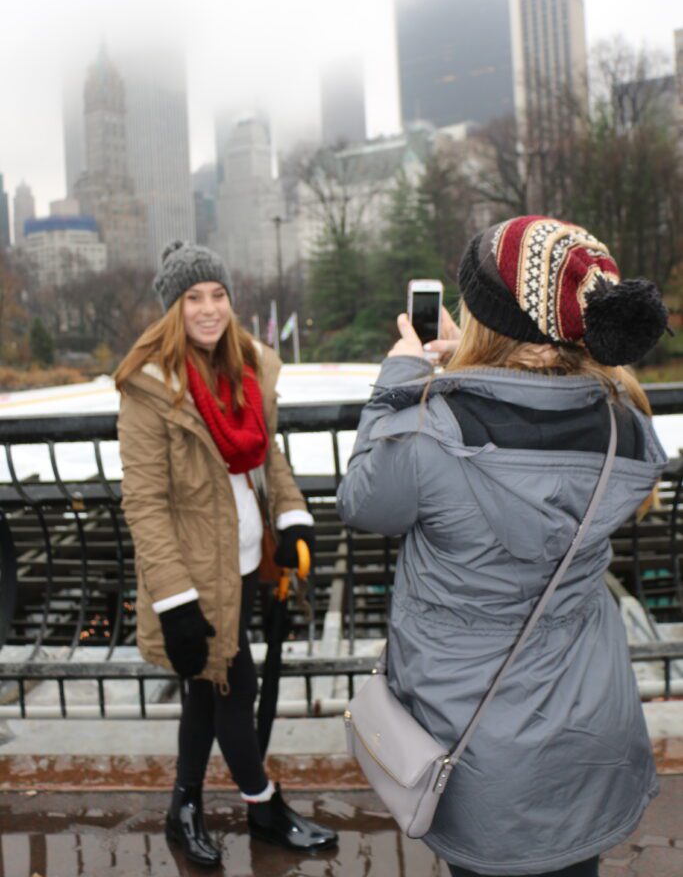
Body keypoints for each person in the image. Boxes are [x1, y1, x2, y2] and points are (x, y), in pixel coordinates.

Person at [337, 216, 669, 877]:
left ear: (484, 318)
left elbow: (362, 500)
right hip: (589, 730)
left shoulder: (428, 429)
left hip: (476, 742)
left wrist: (401, 373)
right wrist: (488, 360)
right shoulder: (624, 429)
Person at [115, 240, 337, 867]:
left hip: (243, 561)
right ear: (172, 309)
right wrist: (177, 604)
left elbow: (268, 455)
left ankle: (183, 806)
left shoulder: (246, 369)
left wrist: (292, 517)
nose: (209, 309)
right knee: (234, 692)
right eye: (193, 298)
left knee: (206, 696)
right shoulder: (148, 388)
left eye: (218, 295)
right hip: (192, 574)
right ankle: (264, 807)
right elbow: (146, 505)